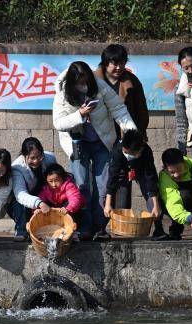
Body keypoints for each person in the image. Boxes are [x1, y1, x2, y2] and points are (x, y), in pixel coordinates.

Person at [53, 61, 137, 241]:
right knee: (81, 185)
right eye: (79, 82)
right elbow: (58, 123)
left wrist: (132, 132)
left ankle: (100, 227)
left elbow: (118, 109)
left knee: (103, 185)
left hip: (102, 142)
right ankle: (84, 226)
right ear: (72, 82)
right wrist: (80, 114)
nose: (84, 85)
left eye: (86, 81)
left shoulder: (100, 85)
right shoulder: (62, 92)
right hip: (77, 144)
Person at [103, 130, 166, 239]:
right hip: (123, 170)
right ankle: (111, 230)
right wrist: (108, 203)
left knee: (152, 199)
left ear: (140, 149)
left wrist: (156, 205)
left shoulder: (146, 151)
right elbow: (113, 177)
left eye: (131, 154)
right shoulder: (117, 150)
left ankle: (158, 229)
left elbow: (151, 178)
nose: (127, 155)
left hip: (141, 170)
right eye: (125, 152)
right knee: (121, 202)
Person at [95, 44, 149, 137]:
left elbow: (142, 111)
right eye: (115, 64)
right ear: (105, 63)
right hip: (99, 135)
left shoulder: (133, 81)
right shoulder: (93, 80)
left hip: (125, 134)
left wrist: (139, 133)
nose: (118, 67)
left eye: (122, 63)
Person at [9, 137, 57, 241]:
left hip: (45, 194)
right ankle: (21, 230)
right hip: (25, 200)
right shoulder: (17, 167)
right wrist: (39, 203)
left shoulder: (50, 158)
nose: (36, 161)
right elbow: (20, 194)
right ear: (24, 156)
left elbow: (58, 177)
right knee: (18, 202)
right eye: (32, 158)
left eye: (39, 156)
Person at [158, 148, 192, 240]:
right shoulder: (164, 177)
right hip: (180, 204)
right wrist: (190, 218)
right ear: (165, 168)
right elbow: (173, 203)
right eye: (172, 172)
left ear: (184, 163)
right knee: (184, 195)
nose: (176, 175)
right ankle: (176, 227)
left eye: (179, 169)